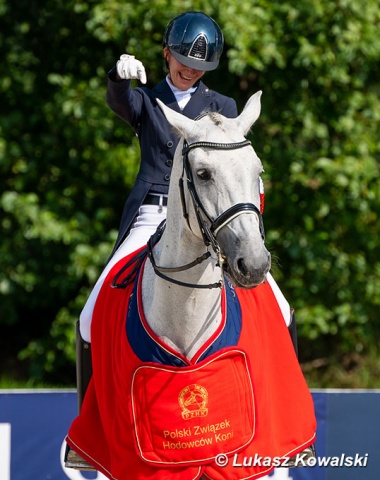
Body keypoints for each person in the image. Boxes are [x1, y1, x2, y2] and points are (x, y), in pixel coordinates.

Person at [79, 11, 240, 343]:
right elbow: (119, 100)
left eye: (200, 67)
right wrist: (117, 77)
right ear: (167, 53)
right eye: (183, 60)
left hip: (207, 219)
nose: (191, 71)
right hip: (154, 214)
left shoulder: (223, 105)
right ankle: (92, 393)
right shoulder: (146, 101)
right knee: (91, 312)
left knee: (279, 305)